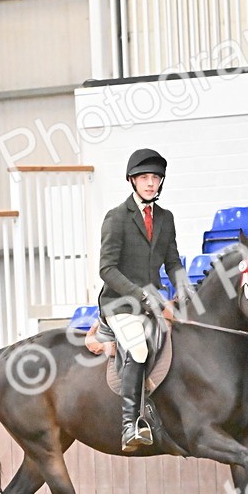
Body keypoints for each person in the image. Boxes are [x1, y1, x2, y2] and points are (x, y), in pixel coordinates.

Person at [98, 148, 189, 452]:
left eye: (156, 178)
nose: (151, 183)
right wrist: (140, 296)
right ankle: (130, 425)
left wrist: (183, 287)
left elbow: (172, 262)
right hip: (121, 304)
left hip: (153, 304)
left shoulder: (165, 218)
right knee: (138, 348)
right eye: (145, 177)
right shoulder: (117, 218)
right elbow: (107, 269)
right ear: (132, 180)